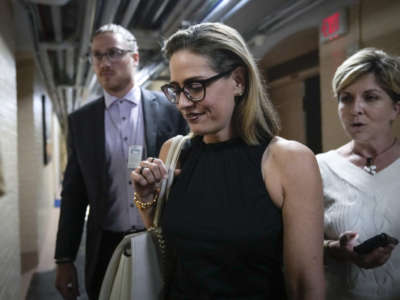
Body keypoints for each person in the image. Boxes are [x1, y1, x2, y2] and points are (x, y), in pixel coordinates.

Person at [131, 22, 325, 299]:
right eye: (176, 89)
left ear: (238, 81)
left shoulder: (288, 161)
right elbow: (164, 242)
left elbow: (305, 283)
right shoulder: (173, 152)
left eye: (195, 86)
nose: (183, 103)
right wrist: (146, 197)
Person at [54, 23, 187, 300]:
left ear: (135, 58)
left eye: (113, 53)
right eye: (97, 55)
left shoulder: (171, 111)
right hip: (106, 245)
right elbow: (74, 194)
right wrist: (64, 259)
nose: (104, 63)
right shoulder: (81, 122)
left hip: (162, 239)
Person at [317, 48, 400, 300]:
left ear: (396, 108)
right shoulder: (319, 167)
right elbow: (296, 247)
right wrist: (334, 249)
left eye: (371, 97)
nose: (356, 109)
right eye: (346, 98)